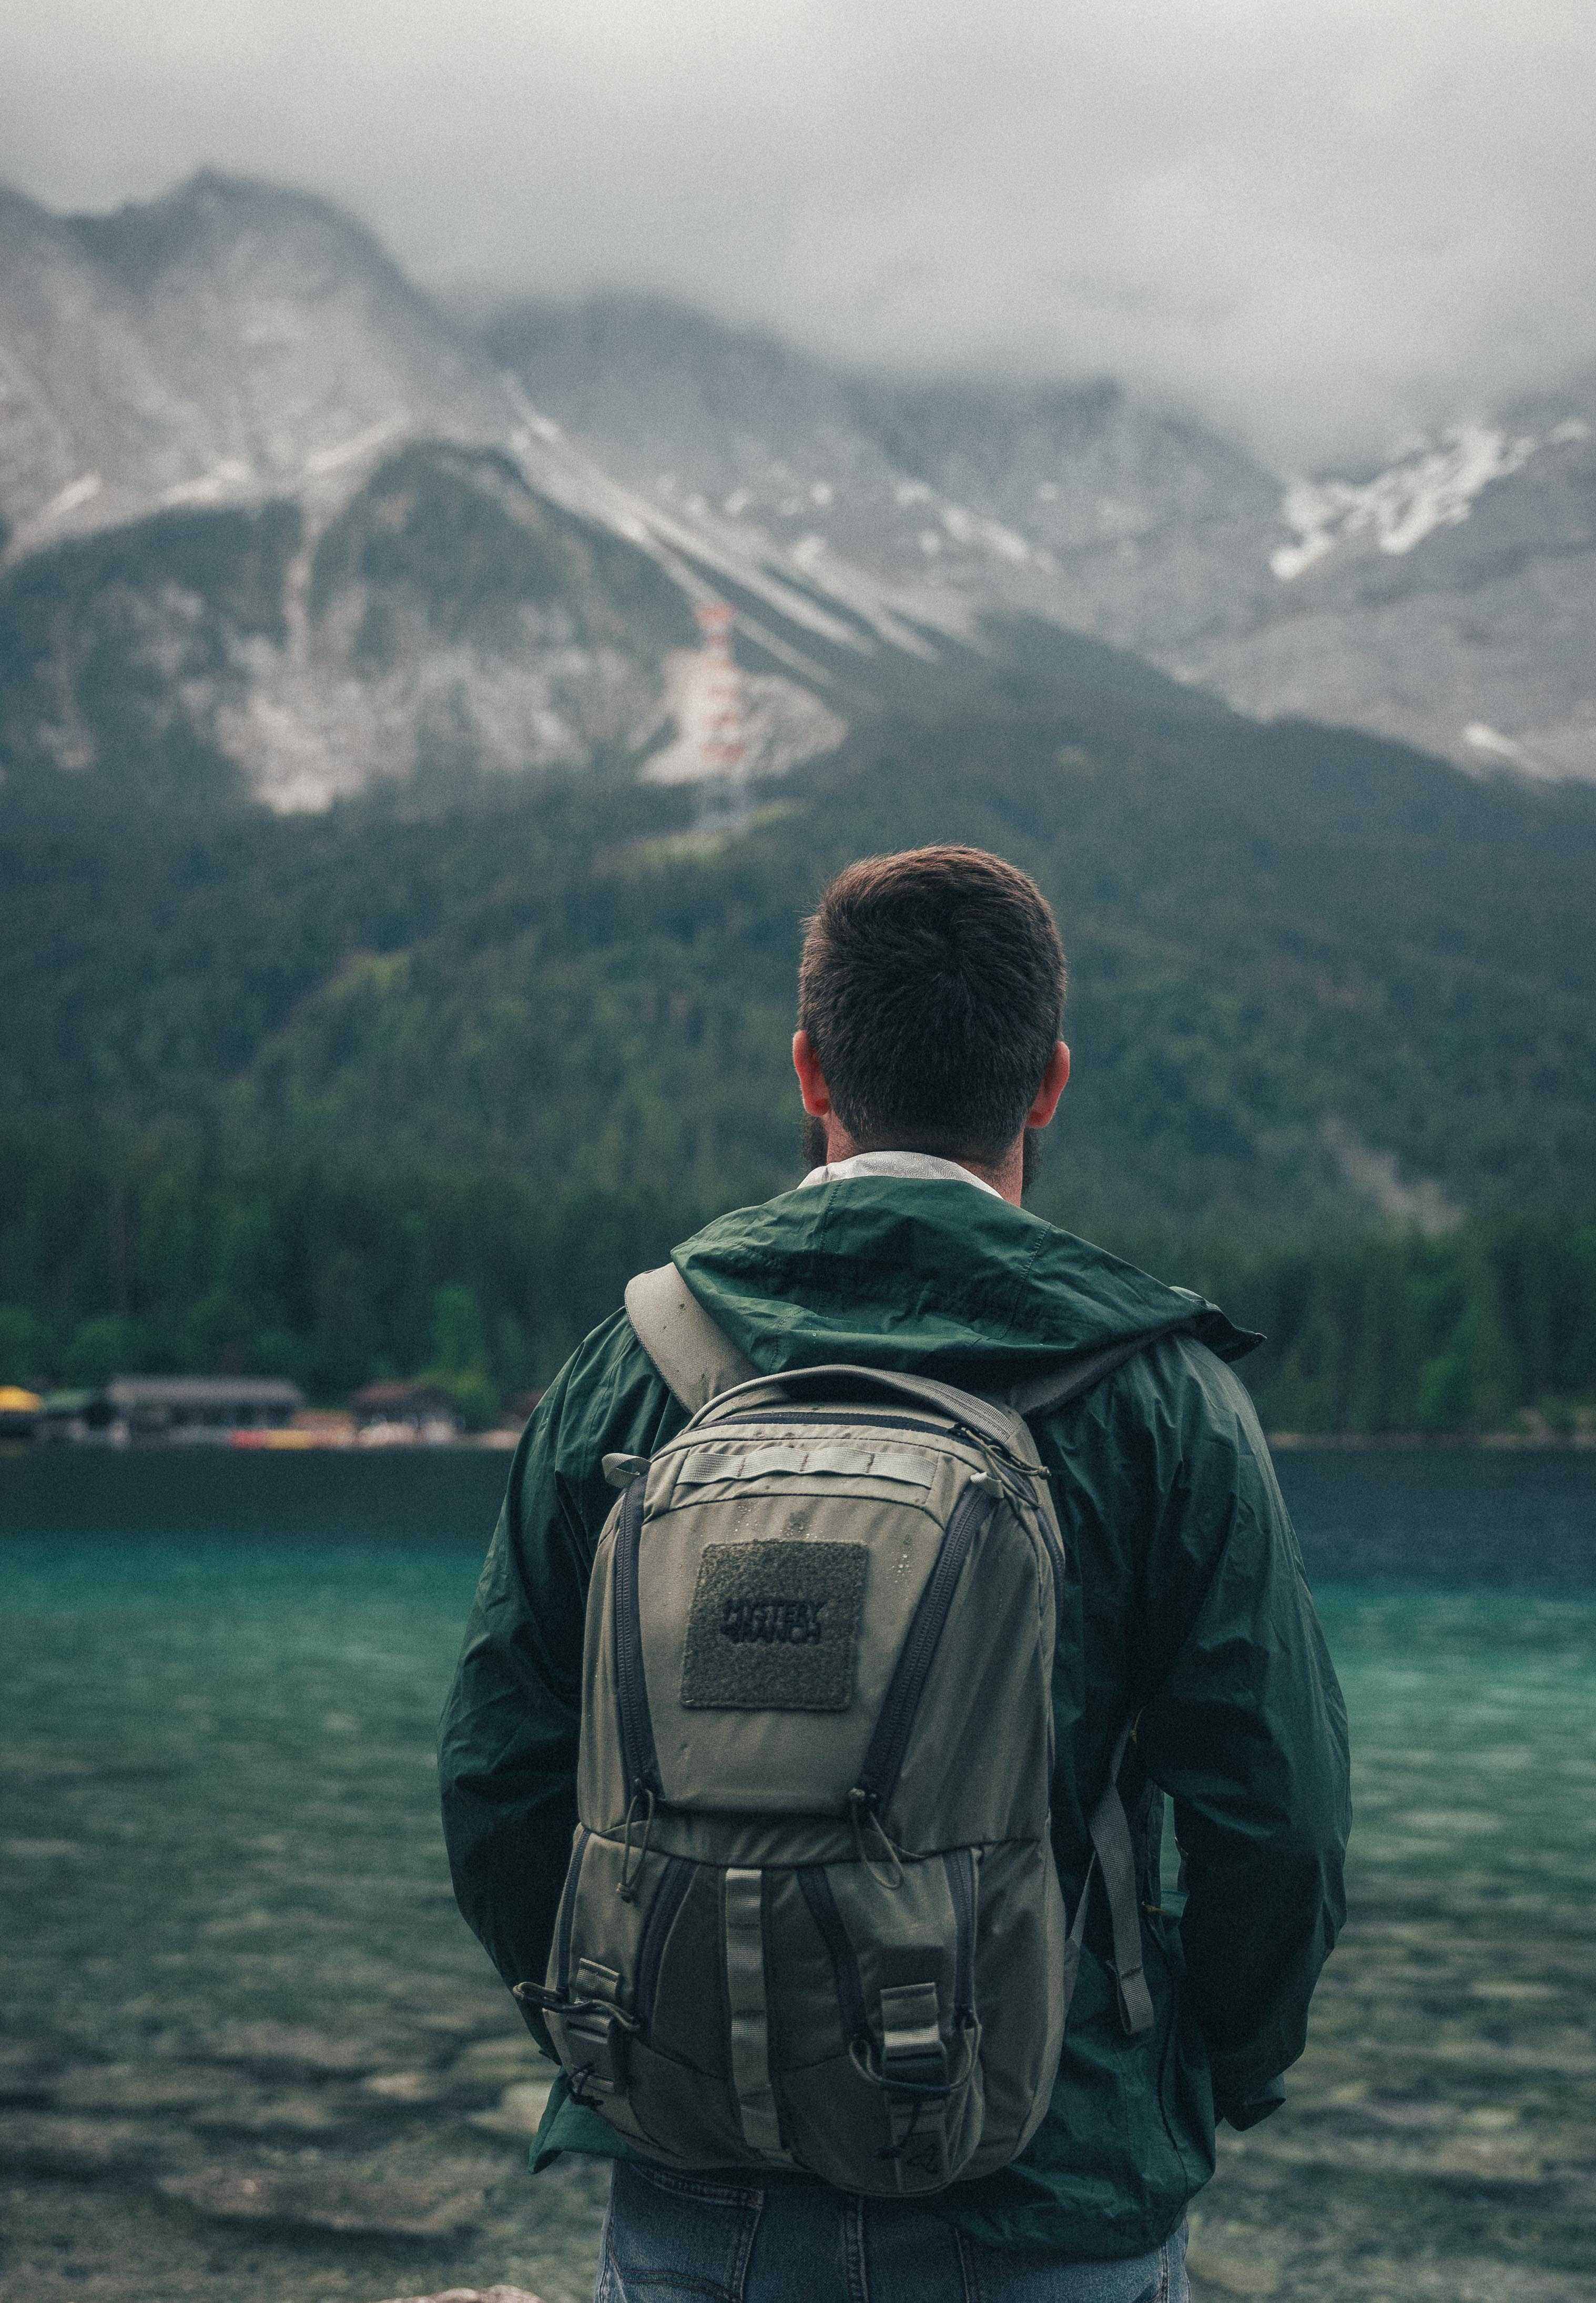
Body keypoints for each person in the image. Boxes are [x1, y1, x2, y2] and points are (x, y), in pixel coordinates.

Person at [440, 844, 1350, 2303]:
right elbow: (1278, 1818)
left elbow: (496, 1777)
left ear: (810, 1068)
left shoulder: (635, 1362)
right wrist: (1193, 2071)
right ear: (1047, 1083)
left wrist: (632, 2037)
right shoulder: (1162, 1399)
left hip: (698, 2199)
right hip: (1052, 2185)